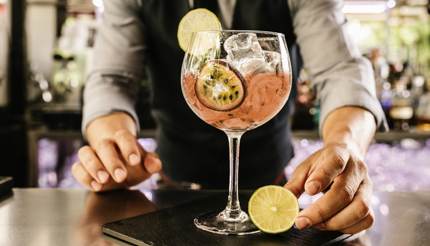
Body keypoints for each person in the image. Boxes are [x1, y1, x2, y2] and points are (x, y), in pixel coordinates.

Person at [72, 0, 387, 234]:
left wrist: (347, 146)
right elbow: (111, 79)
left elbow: (340, 71)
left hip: (272, 193)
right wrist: (113, 146)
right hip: (169, 193)